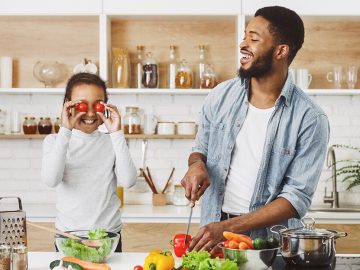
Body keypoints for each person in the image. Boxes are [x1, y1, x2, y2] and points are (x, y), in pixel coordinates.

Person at [181, 6, 330, 253]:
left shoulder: (310, 119)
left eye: (254, 38)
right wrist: (196, 164)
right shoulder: (220, 96)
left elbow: (295, 199)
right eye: (244, 36)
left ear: (281, 50)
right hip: (213, 235)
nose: (243, 44)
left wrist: (228, 227)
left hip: (269, 244)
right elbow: (201, 150)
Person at [41, 72, 137, 252]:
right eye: (82, 105)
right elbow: (51, 179)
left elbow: (128, 181)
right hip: (68, 237)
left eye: (98, 105)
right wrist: (65, 130)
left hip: (107, 238)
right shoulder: (55, 141)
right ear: (67, 105)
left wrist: (116, 133)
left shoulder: (112, 141)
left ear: (106, 106)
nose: (91, 113)